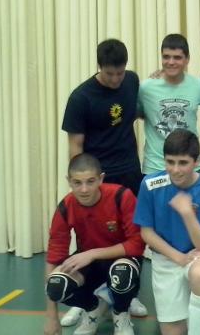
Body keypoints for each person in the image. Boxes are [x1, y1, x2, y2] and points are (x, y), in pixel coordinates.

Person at [61, 39, 147, 325]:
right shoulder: (81, 98)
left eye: (120, 73)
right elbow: (76, 146)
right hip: (98, 177)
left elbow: (139, 111)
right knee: (90, 235)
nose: (116, 79)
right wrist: (82, 185)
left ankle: (128, 295)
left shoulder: (132, 81)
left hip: (129, 172)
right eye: (110, 73)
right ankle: (86, 299)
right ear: (99, 67)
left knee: (132, 235)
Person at [133, 129, 200, 335]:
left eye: (183, 163)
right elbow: (146, 233)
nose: (175, 170)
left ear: (197, 161)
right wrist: (179, 257)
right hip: (166, 258)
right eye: (170, 162)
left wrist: (187, 214)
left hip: (198, 254)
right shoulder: (149, 184)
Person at [44, 154, 145, 335]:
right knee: (56, 285)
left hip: (122, 258)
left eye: (90, 181)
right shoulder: (66, 206)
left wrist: (92, 253)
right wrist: (52, 317)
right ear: (69, 181)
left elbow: (137, 244)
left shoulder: (121, 196)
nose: (84, 189)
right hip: (89, 262)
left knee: (121, 274)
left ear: (101, 179)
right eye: (77, 183)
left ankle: (121, 313)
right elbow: (54, 256)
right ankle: (93, 308)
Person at [138, 33, 200, 176]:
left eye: (177, 57)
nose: (171, 62)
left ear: (187, 59)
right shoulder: (146, 88)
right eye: (166, 57)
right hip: (156, 167)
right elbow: (137, 114)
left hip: (192, 165)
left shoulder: (199, 86)